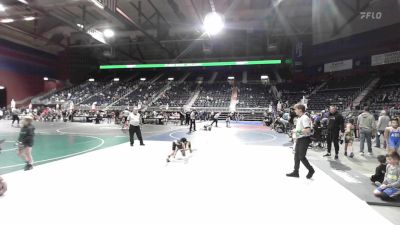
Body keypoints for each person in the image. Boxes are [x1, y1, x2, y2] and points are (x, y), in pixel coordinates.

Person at [286, 104, 315, 179]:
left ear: (300, 110)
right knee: (296, 156)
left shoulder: (304, 118)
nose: (294, 110)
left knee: (301, 156)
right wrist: (296, 133)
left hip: (304, 139)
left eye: (295, 109)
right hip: (300, 139)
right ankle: (296, 172)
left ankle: (311, 170)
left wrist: (296, 131)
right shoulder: (300, 117)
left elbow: (308, 130)